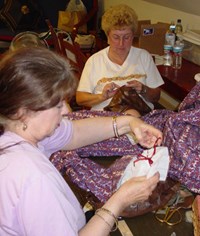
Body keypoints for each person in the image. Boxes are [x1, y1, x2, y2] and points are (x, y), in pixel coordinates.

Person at [0, 47, 162, 236]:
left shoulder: (15, 129)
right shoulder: (34, 179)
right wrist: (119, 201)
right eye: (58, 104)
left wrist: (129, 123)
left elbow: (75, 133)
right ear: (23, 110)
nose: (67, 112)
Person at [76, 4, 164, 116]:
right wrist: (103, 96)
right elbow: (80, 98)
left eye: (126, 37)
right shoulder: (95, 61)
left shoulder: (143, 57)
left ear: (133, 36)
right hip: (105, 119)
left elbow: (156, 96)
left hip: (140, 116)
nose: (121, 44)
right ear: (107, 36)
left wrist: (143, 89)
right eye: (116, 37)